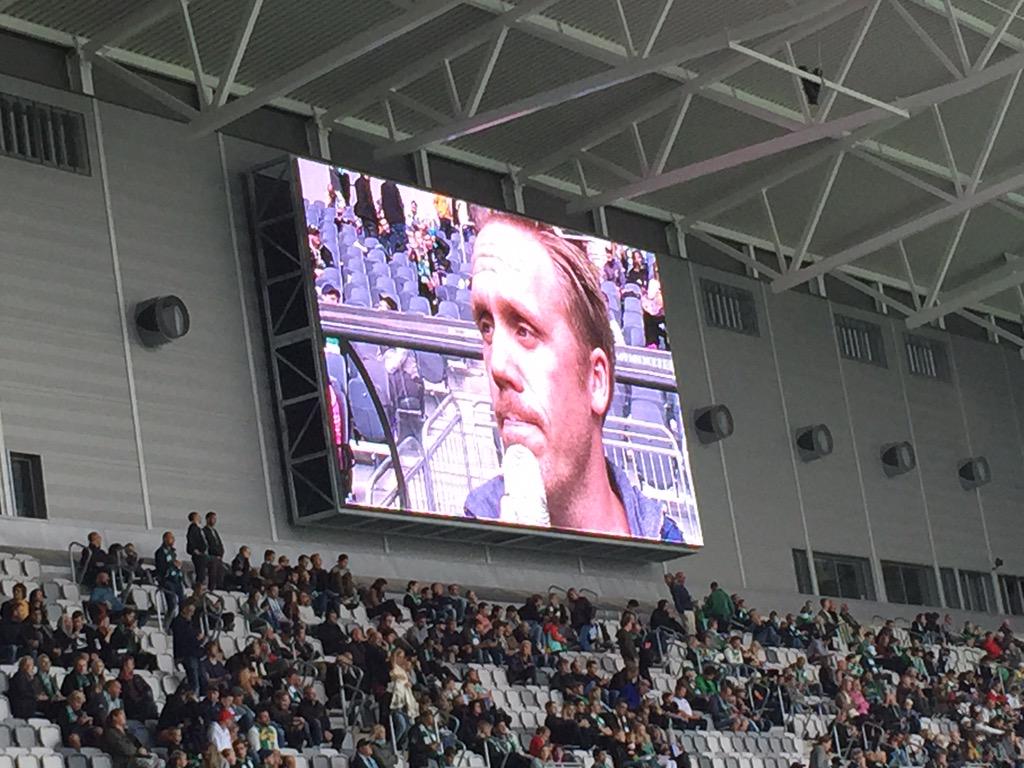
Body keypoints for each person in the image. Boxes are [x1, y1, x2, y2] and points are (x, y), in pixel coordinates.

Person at [462, 214, 681, 542]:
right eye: (486, 327)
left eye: (524, 329)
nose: (497, 365)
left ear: (596, 381)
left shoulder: (665, 539)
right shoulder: (467, 546)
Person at [155, 532, 185, 619]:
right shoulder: (160, 552)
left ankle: (179, 622)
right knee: (172, 604)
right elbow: (160, 567)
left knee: (182, 603)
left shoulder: (173, 552)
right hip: (167, 581)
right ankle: (168, 624)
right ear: (165, 539)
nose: (173, 540)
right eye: (171, 538)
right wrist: (172, 564)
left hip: (176, 580)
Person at [380, 179, 406, 255]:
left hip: (394, 220)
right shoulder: (388, 187)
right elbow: (397, 204)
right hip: (396, 220)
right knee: (397, 243)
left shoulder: (388, 187)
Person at [203, 511, 226, 590]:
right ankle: (211, 589)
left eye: (215, 519)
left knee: (221, 573)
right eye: (212, 518)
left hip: (218, 557)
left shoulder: (215, 531)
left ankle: (219, 588)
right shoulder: (204, 530)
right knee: (213, 573)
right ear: (207, 519)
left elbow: (219, 543)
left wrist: (221, 552)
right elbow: (208, 544)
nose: (214, 520)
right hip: (211, 556)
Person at [186, 511, 208, 589]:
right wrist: (194, 550)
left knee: (203, 571)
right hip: (198, 555)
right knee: (200, 571)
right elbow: (191, 539)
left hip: (203, 554)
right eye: (198, 516)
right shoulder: (193, 528)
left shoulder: (199, 528)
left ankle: (201, 585)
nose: (200, 518)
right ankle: (199, 587)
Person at [354, 174, 378, 239]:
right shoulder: (363, 183)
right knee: (371, 234)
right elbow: (364, 199)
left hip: (364, 213)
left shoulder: (361, 182)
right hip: (367, 213)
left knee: (368, 233)